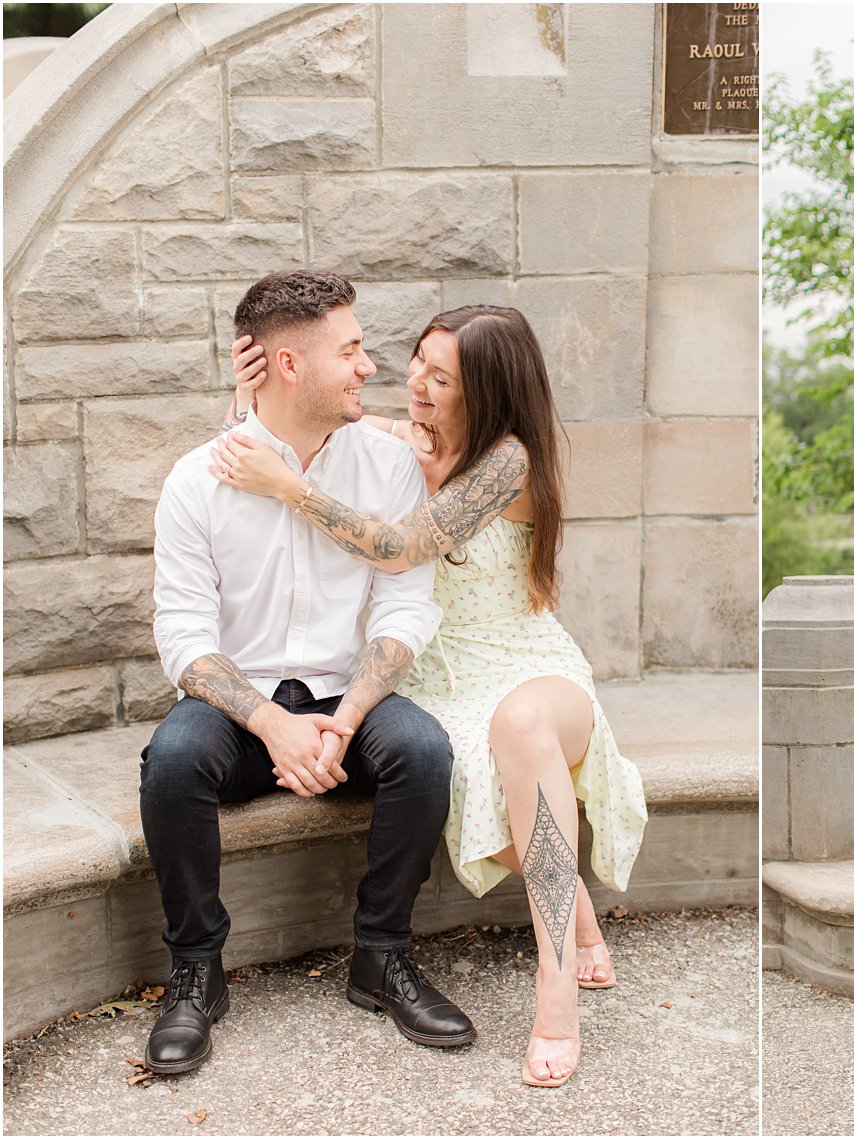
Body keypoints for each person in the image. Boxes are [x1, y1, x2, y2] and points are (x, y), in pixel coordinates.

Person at [207, 305, 648, 1088]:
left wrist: (293, 489)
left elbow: (403, 544)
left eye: (439, 378)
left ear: (488, 391)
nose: (415, 382)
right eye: (416, 363)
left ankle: (556, 993)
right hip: (436, 677)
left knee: (519, 728)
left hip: (524, 662)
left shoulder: (509, 461)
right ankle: (575, 913)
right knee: (484, 796)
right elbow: (296, 434)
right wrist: (248, 408)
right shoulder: (404, 436)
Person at [140, 269, 474, 1075]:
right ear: (289, 366)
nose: (368, 366)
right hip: (242, 705)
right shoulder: (197, 480)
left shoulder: (386, 466)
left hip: (343, 694)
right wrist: (269, 721)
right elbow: (183, 634)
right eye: (351, 350)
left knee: (424, 752)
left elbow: (404, 605)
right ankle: (196, 970)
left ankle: (381, 955)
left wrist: (349, 715)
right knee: (172, 760)